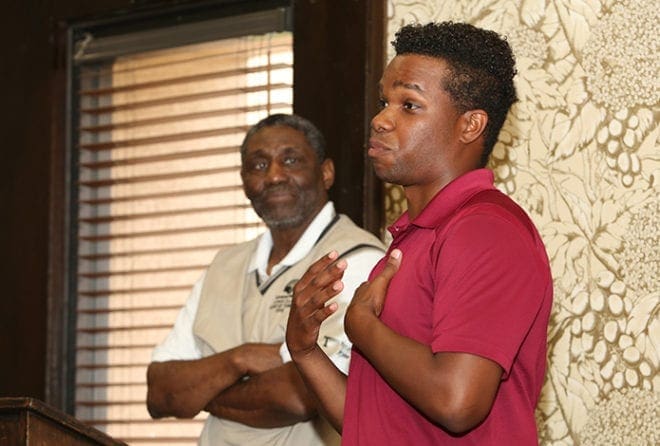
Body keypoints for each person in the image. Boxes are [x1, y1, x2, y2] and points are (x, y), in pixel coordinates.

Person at [286, 22, 553, 445]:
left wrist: (364, 327)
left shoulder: (487, 230)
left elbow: (457, 401)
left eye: (409, 105)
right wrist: (304, 351)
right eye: (383, 102)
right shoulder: (410, 241)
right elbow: (371, 424)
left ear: (470, 126)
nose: (380, 120)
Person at [146, 113, 385, 446]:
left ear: (326, 172)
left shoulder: (357, 261)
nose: (274, 176)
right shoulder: (223, 266)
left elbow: (298, 396)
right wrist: (240, 358)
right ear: (244, 182)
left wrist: (202, 391)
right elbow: (160, 392)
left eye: (290, 160)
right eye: (258, 166)